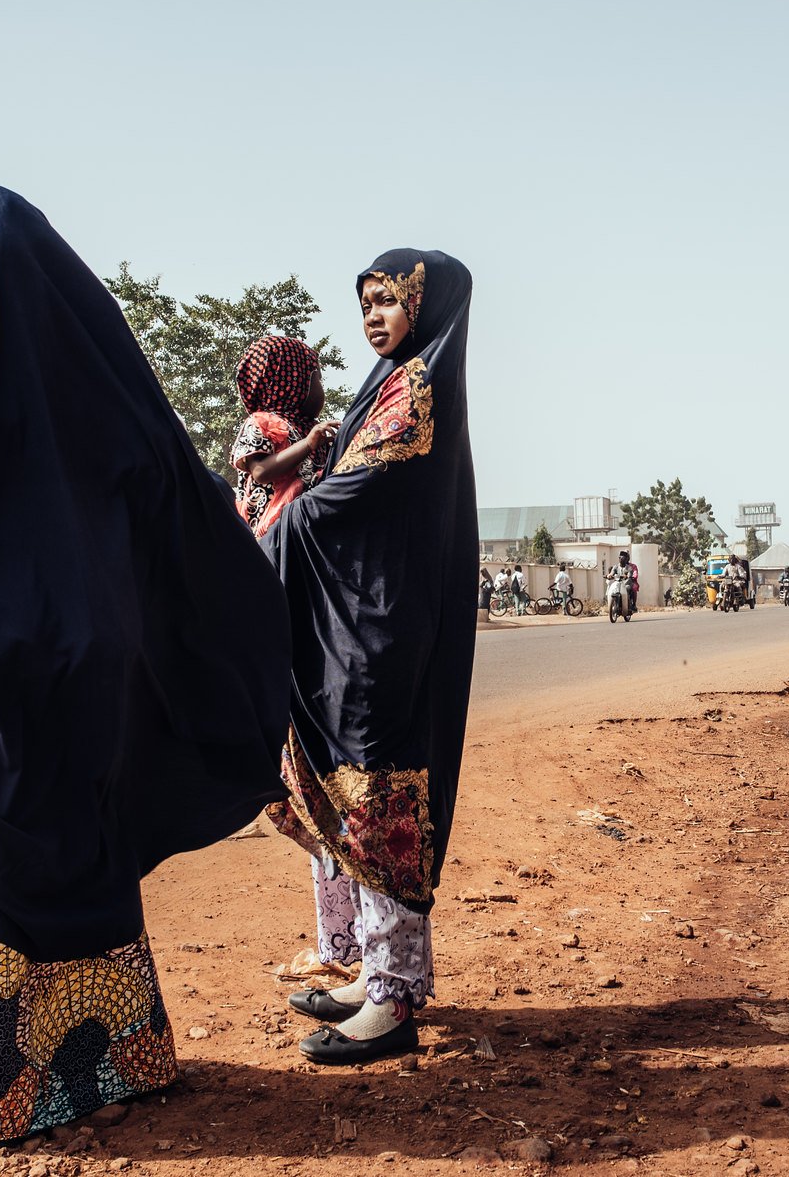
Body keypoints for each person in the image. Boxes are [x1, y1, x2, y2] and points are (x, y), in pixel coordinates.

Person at [0, 184, 290, 1145]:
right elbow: (175, 485)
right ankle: (122, 1054)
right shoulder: (91, 367)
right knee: (78, 842)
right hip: (89, 656)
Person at [269, 248, 476, 1067]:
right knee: (359, 797)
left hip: (384, 629)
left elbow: (357, 488)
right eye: (365, 305)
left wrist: (281, 524)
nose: (374, 318)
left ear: (423, 305)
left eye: (388, 300)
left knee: (381, 798)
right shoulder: (388, 382)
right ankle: (378, 973)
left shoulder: (418, 386)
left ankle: (392, 998)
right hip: (361, 616)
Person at [230, 335, 340, 537]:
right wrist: (308, 444)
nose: (321, 388)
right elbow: (261, 471)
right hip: (272, 535)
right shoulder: (261, 422)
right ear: (291, 381)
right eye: (317, 379)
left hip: (309, 529)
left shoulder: (312, 428)